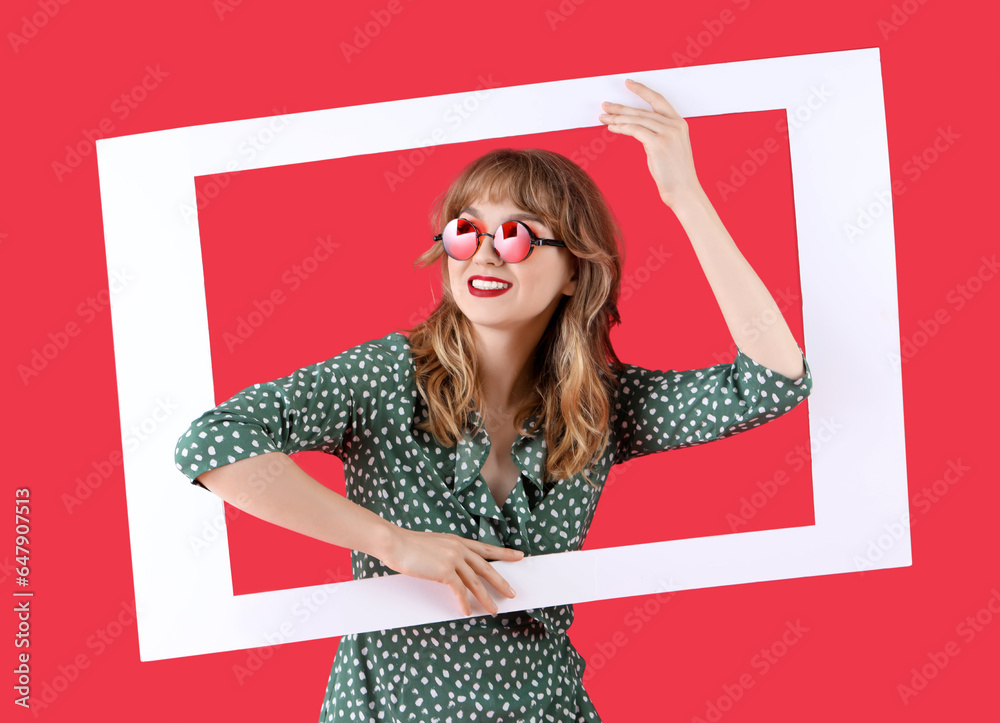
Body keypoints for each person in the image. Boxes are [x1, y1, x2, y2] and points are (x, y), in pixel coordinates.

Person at [173, 79, 814, 722]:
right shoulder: (384, 378)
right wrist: (392, 542)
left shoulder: (602, 404)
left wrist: (685, 195)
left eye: (516, 235)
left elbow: (772, 381)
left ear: (575, 272)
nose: (482, 251)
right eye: (464, 230)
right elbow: (212, 443)